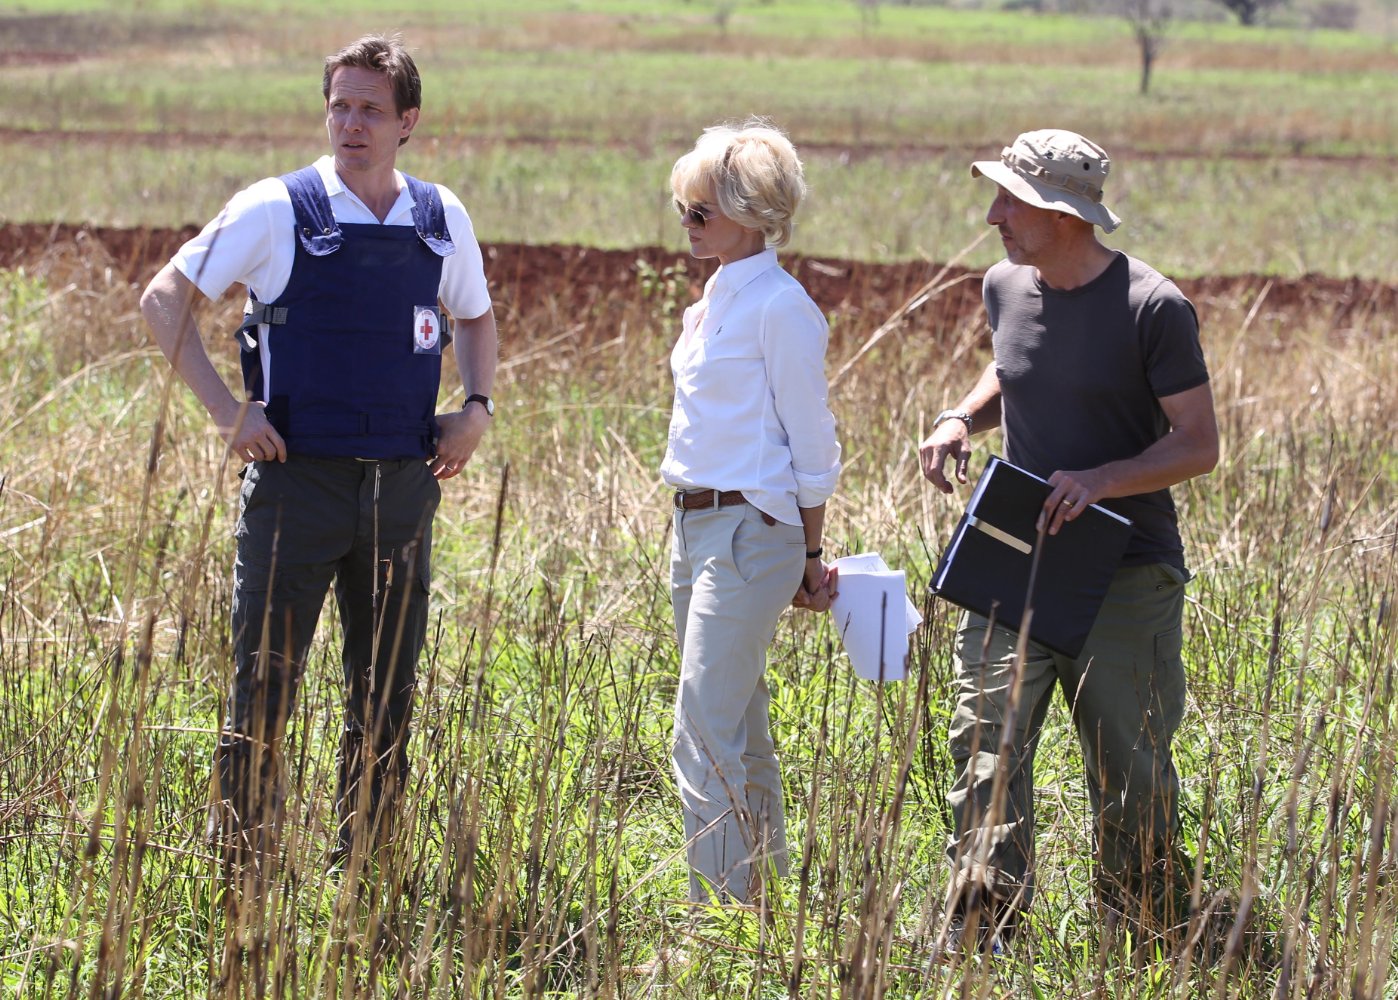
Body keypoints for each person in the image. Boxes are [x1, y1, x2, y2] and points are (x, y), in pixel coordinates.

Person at [139, 34, 497, 877]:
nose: (352, 123)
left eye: (371, 109)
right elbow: (164, 300)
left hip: (403, 490)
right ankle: (246, 875)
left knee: (385, 700)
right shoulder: (275, 207)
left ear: (407, 121)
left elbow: (474, 315)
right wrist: (230, 412)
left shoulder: (440, 217)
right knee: (264, 690)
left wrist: (475, 410)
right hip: (296, 490)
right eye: (339, 105)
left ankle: (364, 873)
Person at [918, 129, 1219, 953]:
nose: (992, 215)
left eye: (1010, 200)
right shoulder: (1004, 285)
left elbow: (1199, 444)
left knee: (1131, 770)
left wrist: (1101, 480)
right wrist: (959, 416)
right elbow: (1013, 369)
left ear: (1062, 211)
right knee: (984, 747)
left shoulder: (1153, 307)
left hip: (1126, 573)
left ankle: (1142, 932)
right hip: (1015, 559)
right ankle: (982, 930)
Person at [663, 121, 841, 907]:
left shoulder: (781, 306)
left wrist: (810, 553)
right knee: (737, 723)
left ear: (748, 211)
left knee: (702, 730)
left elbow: (813, 443)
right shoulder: (714, 299)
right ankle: (759, 905)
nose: (687, 225)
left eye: (700, 212)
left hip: (749, 530)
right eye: (684, 210)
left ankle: (717, 924)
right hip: (696, 526)